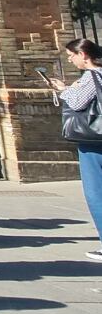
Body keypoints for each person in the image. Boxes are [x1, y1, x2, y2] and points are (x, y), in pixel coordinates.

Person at [47, 37, 102, 263]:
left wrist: (62, 89)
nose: (70, 60)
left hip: (94, 141)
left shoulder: (92, 75)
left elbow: (78, 102)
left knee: (96, 192)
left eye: (72, 55)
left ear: (84, 55)